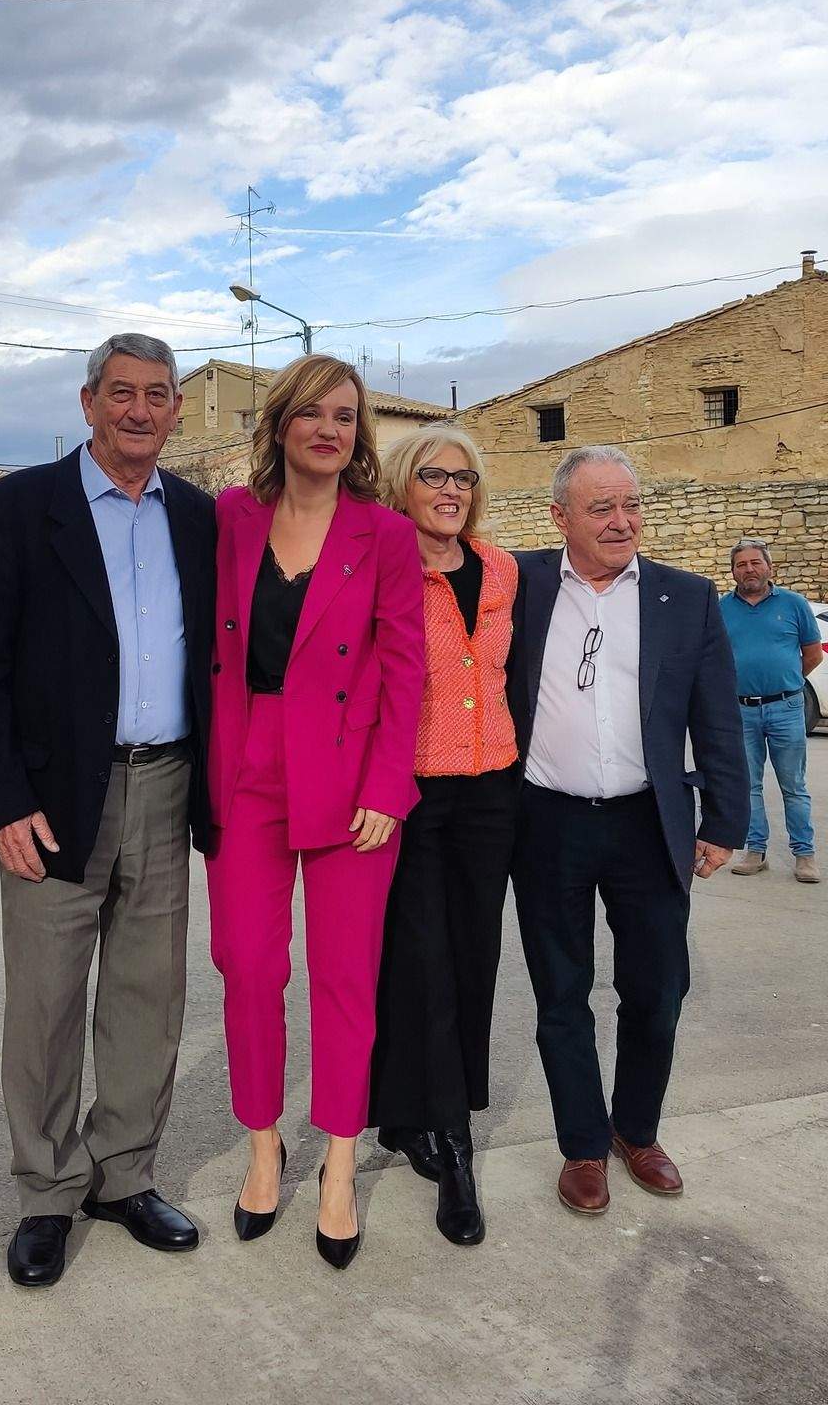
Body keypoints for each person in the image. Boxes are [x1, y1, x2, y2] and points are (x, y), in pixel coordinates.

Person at [0, 334, 215, 1288]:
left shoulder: (199, 516)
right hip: (56, 797)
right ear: (88, 402)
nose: (139, 411)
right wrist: (3, 802)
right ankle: (46, 1191)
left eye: (157, 395)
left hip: (169, 782)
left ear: (178, 408)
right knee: (47, 1004)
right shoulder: (19, 509)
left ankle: (125, 1175)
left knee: (148, 998)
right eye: (122, 394)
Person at [207, 354, 423, 1271]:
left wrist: (386, 786)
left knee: (344, 975)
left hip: (349, 778)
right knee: (248, 965)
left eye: (347, 415)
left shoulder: (384, 535)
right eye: (313, 414)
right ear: (281, 425)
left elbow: (406, 667)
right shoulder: (231, 519)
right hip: (247, 765)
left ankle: (338, 1160)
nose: (330, 429)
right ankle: (266, 1145)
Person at [506, 445, 748, 1215]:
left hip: (649, 820)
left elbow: (716, 717)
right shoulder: (520, 585)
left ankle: (635, 1131)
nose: (622, 522)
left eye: (631, 505)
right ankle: (582, 1146)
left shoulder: (687, 597)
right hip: (545, 820)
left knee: (657, 990)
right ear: (560, 518)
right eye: (601, 508)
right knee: (561, 994)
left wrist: (725, 820)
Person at [366, 424, 519, 1246]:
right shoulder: (384, 567)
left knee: (474, 958)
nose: (452, 489)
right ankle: (450, 1145)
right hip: (409, 793)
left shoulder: (501, 569)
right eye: (434, 475)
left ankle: (415, 1120)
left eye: (464, 476)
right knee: (419, 961)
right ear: (402, 484)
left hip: (492, 788)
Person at [718, 538, 825, 884]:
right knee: (748, 785)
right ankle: (755, 850)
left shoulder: (794, 605)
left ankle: (804, 855)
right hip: (741, 710)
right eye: (741, 565)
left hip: (786, 707)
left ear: (769, 566)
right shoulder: (722, 608)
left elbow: (813, 654)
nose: (748, 569)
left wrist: (786, 682)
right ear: (733, 571)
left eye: (755, 563)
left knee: (793, 784)